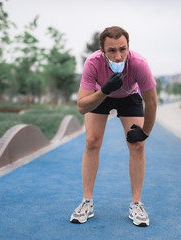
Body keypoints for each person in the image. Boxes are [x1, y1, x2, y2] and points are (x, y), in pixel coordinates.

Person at [70, 26, 157, 227]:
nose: (118, 56)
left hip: (129, 97)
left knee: (137, 145)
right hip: (100, 95)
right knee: (92, 142)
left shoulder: (139, 64)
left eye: (122, 49)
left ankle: (136, 204)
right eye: (112, 50)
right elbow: (82, 107)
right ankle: (87, 202)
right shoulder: (93, 63)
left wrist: (145, 133)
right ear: (102, 50)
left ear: (128, 47)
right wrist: (105, 91)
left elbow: (151, 102)